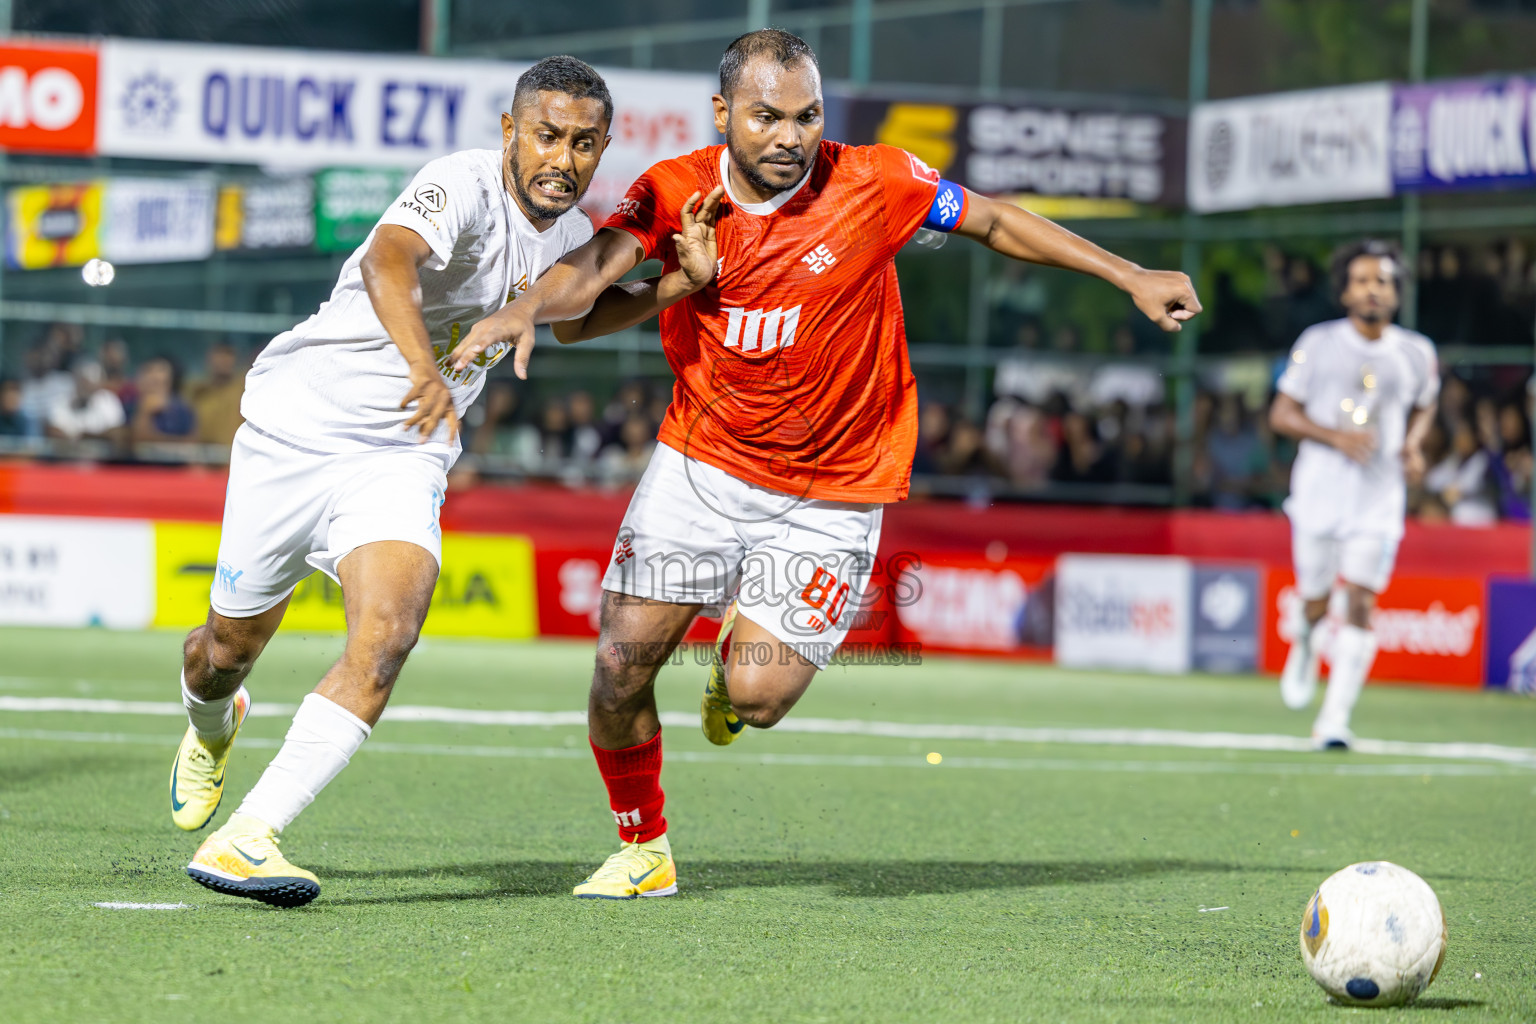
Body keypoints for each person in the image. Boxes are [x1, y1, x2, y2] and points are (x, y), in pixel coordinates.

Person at [448, 29, 1200, 900]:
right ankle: (644, 848)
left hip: (834, 491)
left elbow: (992, 219)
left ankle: (733, 680)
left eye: (806, 117)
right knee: (618, 672)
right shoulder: (676, 192)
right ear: (725, 113)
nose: (789, 137)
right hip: (702, 466)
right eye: (767, 117)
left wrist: (1129, 272)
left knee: (758, 698)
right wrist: (524, 310)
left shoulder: (875, 181)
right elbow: (585, 284)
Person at [170, 57, 694, 909]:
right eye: (548, 135)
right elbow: (388, 265)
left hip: (405, 453)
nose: (563, 158)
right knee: (223, 651)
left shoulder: (570, 236)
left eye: (585, 143)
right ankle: (210, 725)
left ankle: (248, 837)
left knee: (389, 632)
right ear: (510, 131)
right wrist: (426, 369)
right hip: (294, 432)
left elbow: (579, 318)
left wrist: (676, 284)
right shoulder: (458, 184)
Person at [1269, 239, 1438, 749]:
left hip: (1379, 496)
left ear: (1396, 293)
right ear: (1344, 291)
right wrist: (1335, 437)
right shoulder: (1318, 342)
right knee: (1317, 602)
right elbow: (1281, 414)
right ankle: (1305, 637)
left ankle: (1334, 720)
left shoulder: (1416, 351)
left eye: (1383, 282)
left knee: (1362, 602)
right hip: (1320, 492)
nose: (1373, 290)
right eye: (1362, 280)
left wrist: (1411, 445)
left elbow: (1425, 404)